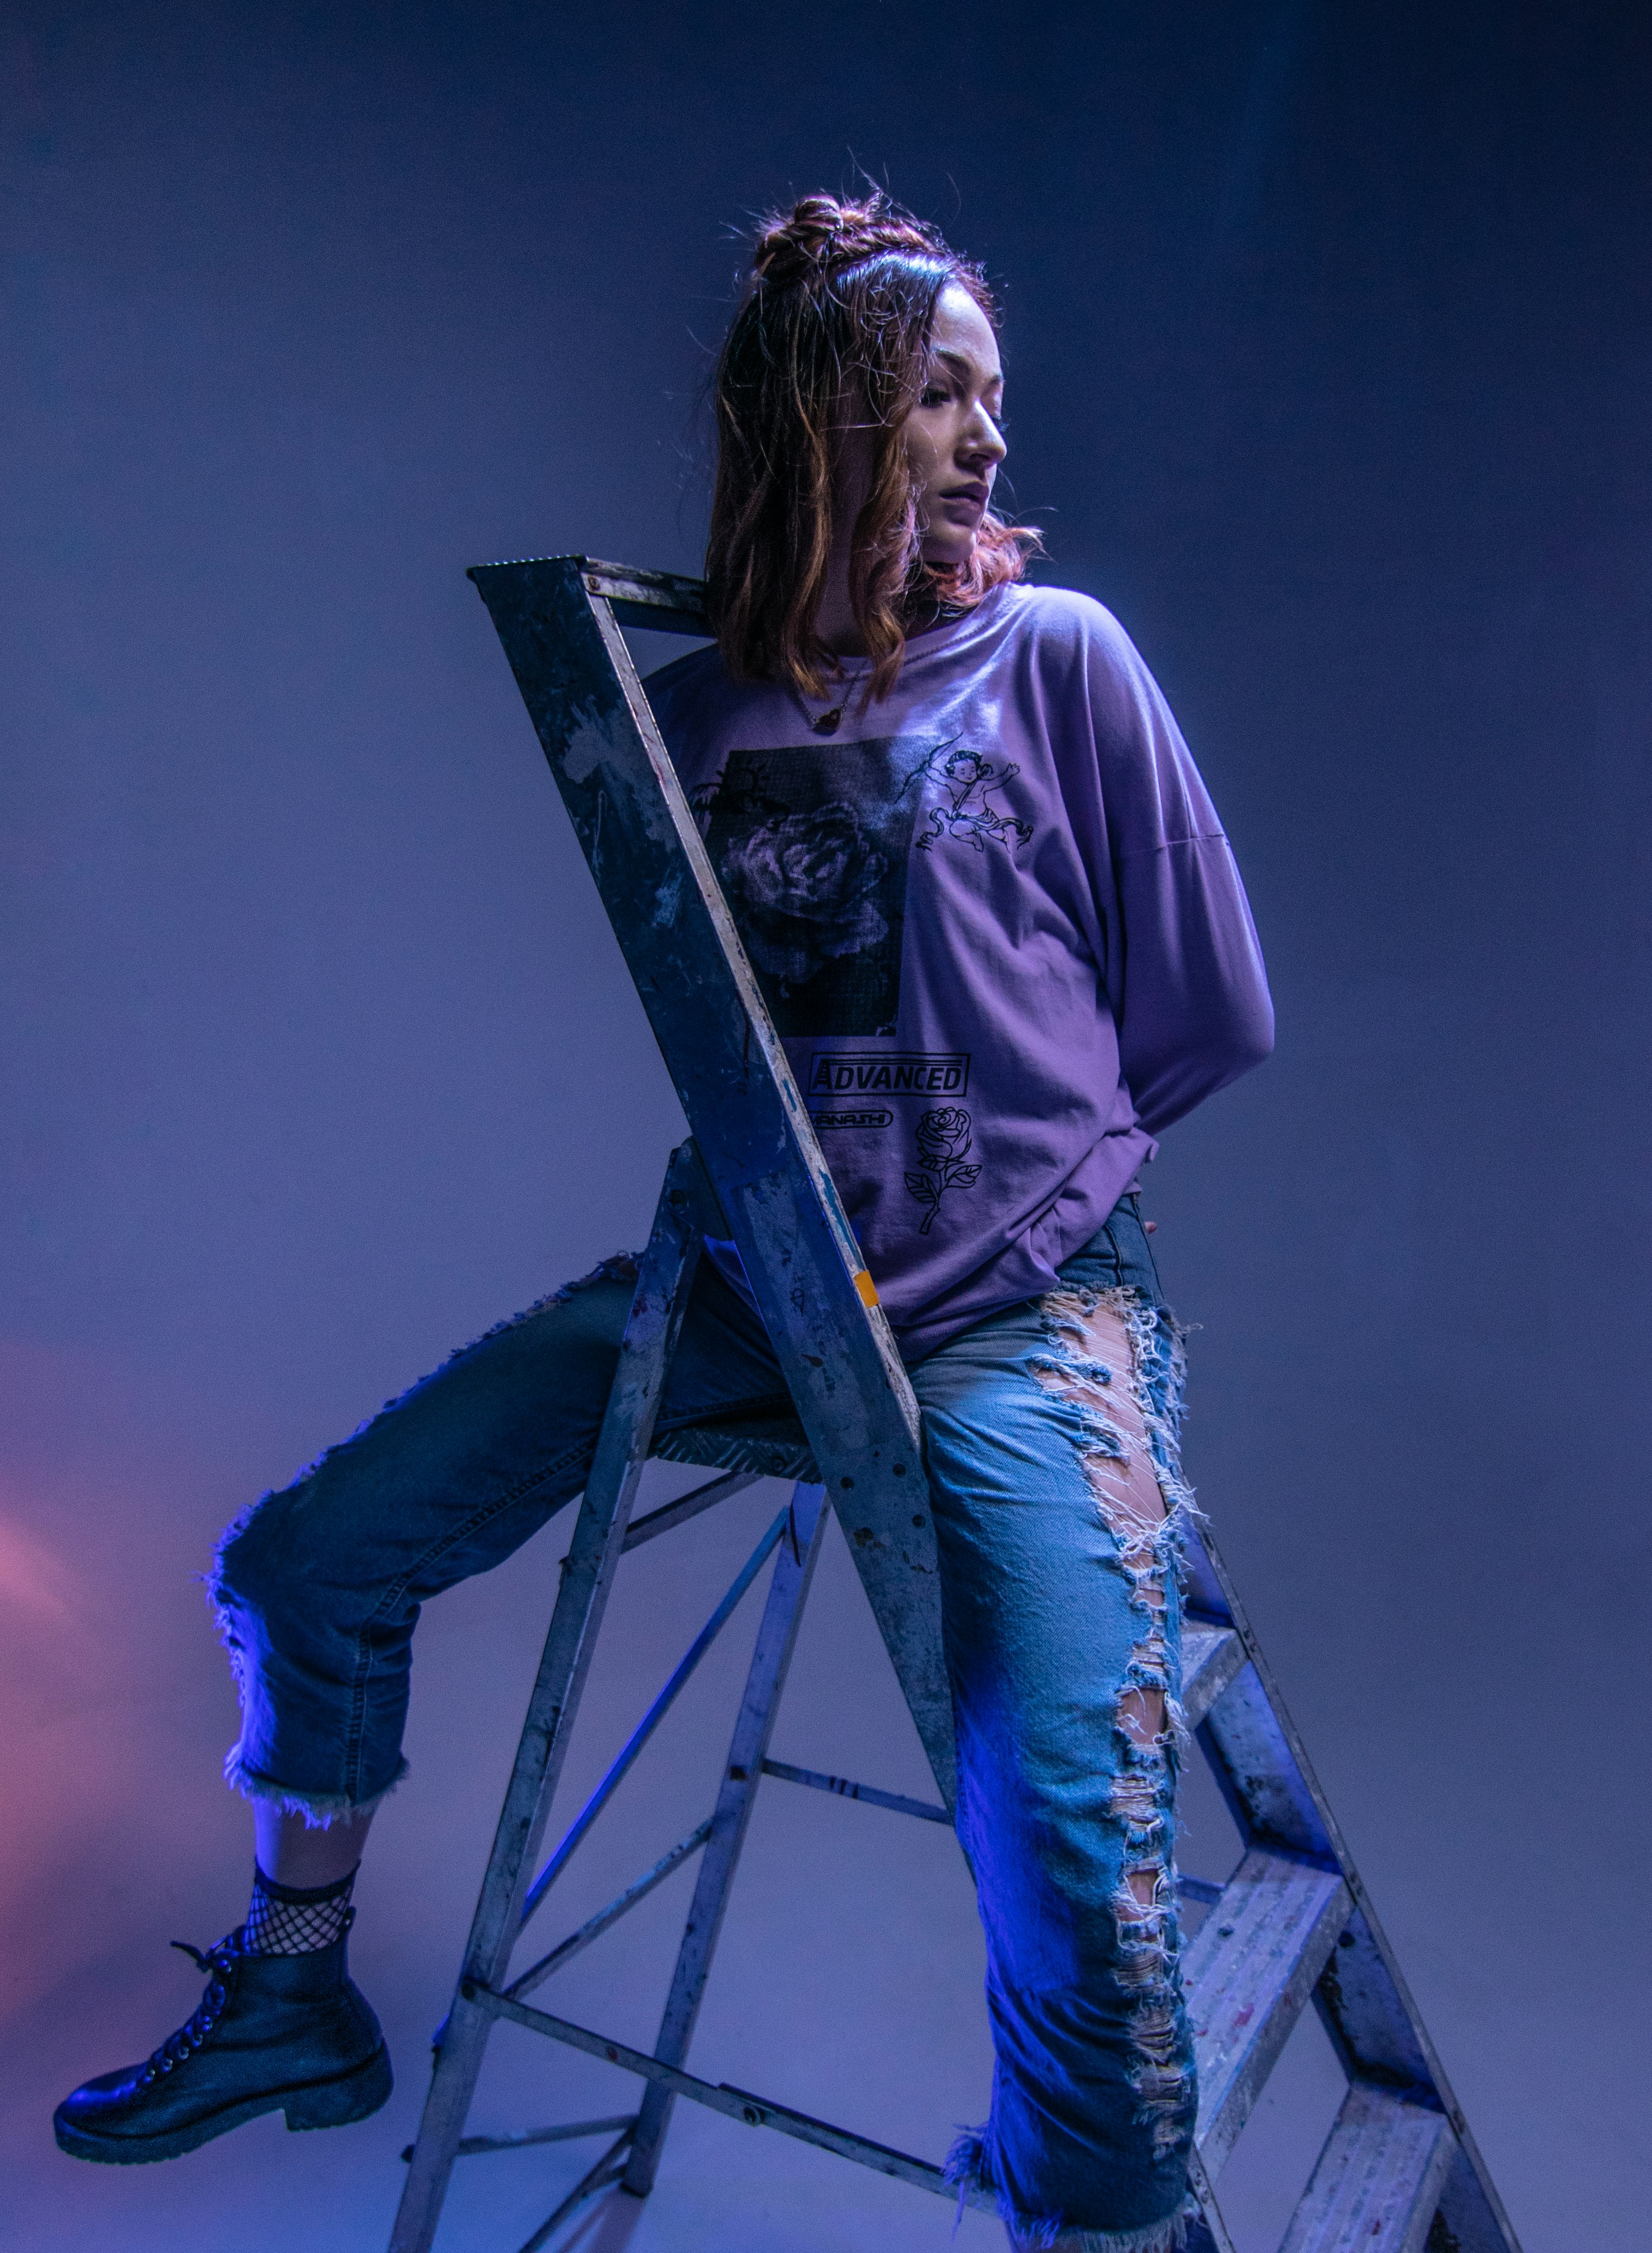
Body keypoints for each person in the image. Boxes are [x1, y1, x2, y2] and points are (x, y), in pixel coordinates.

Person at [55, 191, 1273, 2253]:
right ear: (829, 418)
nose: (987, 441)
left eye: (998, 398)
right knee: (306, 1559)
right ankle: (291, 1996)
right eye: (940, 396)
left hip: (1017, 1318)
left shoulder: (1061, 659)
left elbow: (1207, 1017)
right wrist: (822, 1258)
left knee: (1073, 1852)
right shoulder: (697, 712)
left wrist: (987, 1230)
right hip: (752, 1295)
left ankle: (1099, 2218)